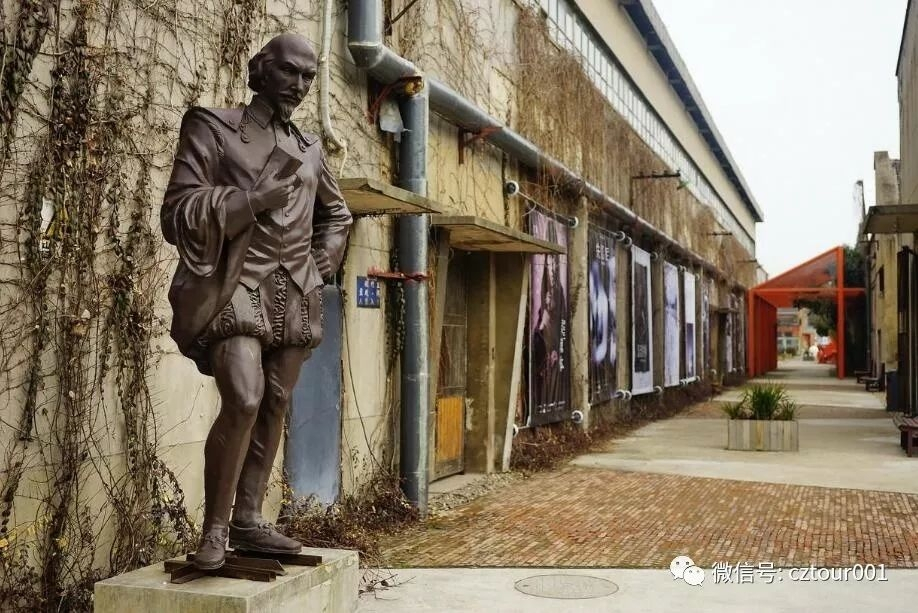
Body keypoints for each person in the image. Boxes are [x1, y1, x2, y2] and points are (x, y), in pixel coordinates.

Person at [160, 33, 352, 570]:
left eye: (309, 77)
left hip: (294, 289)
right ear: (261, 70)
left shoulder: (310, 148)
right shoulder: (213, 127)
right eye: (291, 72)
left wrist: (323, 262)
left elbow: (337, 215)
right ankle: (215, 531)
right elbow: (177, 209)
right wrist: (250, 201)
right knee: (243, 398)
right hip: (236, 284)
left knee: (274, 403)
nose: (300, 85)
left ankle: (248, 521)